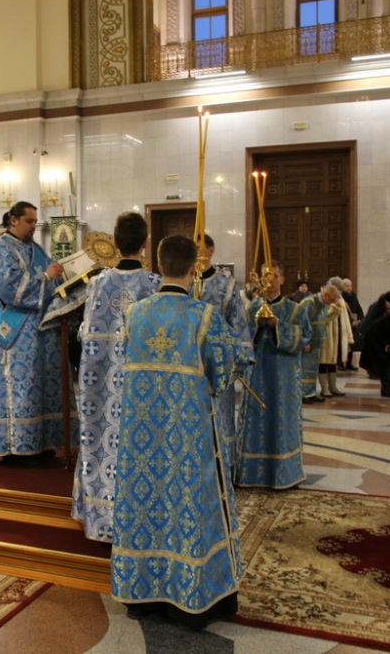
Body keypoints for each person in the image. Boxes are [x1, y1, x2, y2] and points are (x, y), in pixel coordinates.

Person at [111, 235, 249, 628]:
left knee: (145, 503)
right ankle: (190, 595)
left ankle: (142, 595)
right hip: (188, 438)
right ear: (194, 268)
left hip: (140, 437)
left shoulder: (134, 314)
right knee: (189, 503)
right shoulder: (203, 316)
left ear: (158, 265)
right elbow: (226, 371)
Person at [72, 211, 161, 543]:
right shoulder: (154, 285)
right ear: (145, 242)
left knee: (100, 443)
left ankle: (98, 517)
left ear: (114, 242)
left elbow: (83, 333)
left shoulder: (97, 284)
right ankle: (138, 518)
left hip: (99, 385)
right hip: (140, 387)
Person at [0, 201, 70, 466]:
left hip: (41, 332)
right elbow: (9, 287)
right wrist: (46, 277)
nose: (33, 226)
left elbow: (55, 276)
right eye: (29, 221)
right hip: (15, 337)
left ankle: (40, 443)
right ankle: (16, 449)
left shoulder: (36, 249)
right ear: (13, 220)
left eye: (35, 222)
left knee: (40, 387)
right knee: (22, 389)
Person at [235, 261, 312, 489]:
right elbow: (239, 338)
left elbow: (305, 338)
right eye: (265, 277)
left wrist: (278, 325)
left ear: (282, 279)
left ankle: (285, 474)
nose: (269, 282)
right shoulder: (250, 309)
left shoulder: (295, 310)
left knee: (281, 419)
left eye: (274, 276)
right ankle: (251, 474)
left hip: (284, 377)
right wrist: (257, 326)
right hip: (257, 375)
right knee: (255, 419)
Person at [195, 233, 253, 474]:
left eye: (199, 247)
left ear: (211, 250)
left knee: (220, 416)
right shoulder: (184, 281)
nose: (195, 253)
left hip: (218, 367)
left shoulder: (225, 284)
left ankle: (223, 471)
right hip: (188, 365)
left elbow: (237, 322)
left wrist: (240, 357)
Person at [296, 282, 341, 404]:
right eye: (332, 299)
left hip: (317, 341)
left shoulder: (323, 304)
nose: (332, 302)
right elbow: (301, 322)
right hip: (308, 342)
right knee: (305, 368)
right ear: (325, 295)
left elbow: (323, 320)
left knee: (313, 369)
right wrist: (304, 341)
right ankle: (302, 394)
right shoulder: (309, 302)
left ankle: (311, 393)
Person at [318, 277, 353, 397]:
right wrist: (334, 308)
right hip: (326, 334)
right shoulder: (324, 298)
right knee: (324, 361)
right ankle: (324, 388)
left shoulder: (341, 299)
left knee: (333, 362)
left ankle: (333, 386)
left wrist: (348, 336)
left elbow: (345, 319)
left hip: (338, 334)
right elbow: (322, 317)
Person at [358, 291, 390, 378]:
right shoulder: (375, 308)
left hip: (388, 336)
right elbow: (369, 322)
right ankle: (373, 372)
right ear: (385, 301)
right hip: (373, 336)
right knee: (373, 355)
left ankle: (385, 371)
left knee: (387, 355)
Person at [340, 279, 364, 370]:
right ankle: (341, 364)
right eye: (347, 286)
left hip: (354, 323)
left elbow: (359, 309)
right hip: (345, 323)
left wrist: (360, 319)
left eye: (350, 286)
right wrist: (350, 322)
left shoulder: (353, 297)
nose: (349, 288)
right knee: (343, 344)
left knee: (352, 343)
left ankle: (349, 363)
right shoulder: (341, 298)